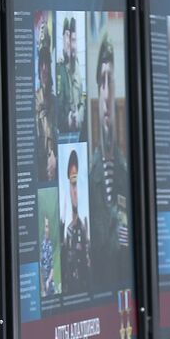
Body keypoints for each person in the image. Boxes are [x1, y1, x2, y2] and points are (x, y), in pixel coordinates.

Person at [89, 31, 130, 291]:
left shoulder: (126, 171)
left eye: (111, 82)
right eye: (102, 82)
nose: (106, 94)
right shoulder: (89, 172)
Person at [61, 150, 89, 294]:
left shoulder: (85, 228)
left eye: (77, 184)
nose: (75, 191)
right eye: (73, 184)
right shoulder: (64, 231)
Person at [35, 25, 58, 182]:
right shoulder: (33, 102)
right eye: (41, 63)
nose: (44, 69)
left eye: (47, 63)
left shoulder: (56, 102)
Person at [57, 15, 82, 135]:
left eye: (72, 39)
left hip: (77, 131)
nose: (69, 43)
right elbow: (55, 107)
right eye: (66, 36)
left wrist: (79, 117)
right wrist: (66, 119)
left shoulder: (77, 67)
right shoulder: (58, 68)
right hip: (63, 132)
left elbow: (82, 101)